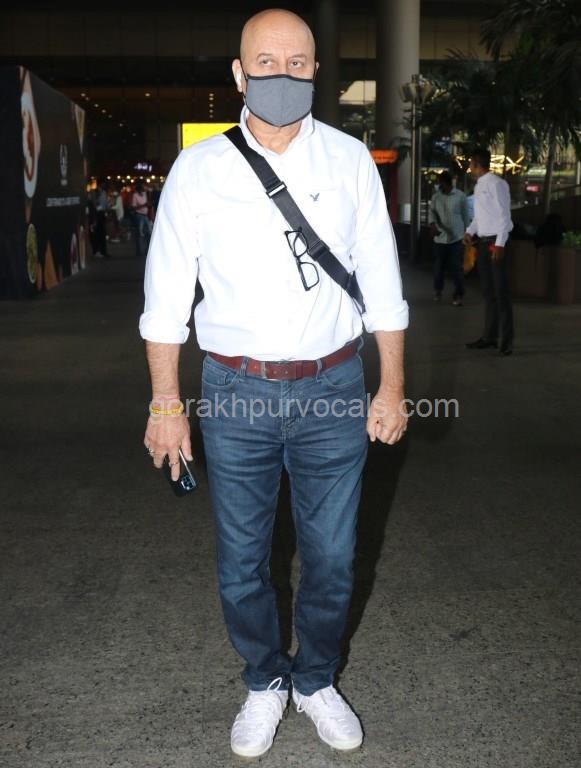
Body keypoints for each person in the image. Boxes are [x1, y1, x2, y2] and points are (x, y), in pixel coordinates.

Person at [139, 9, 409, 760]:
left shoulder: (349, 160)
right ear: (238, 72)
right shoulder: (199, 169)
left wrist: (390, 387)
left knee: (332, 559)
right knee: (241, 561)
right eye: (265, 62)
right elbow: (165, 301)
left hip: (333, 387)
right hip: (235, 392)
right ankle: (264, 679)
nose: (281, 75)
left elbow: (383, 286)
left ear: (316, 71)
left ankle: (315, 679)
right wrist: (166, 404)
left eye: (296, 63)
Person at [464, 148, 514, 355]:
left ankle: (507, 341)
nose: (469, 167)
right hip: (483, 243)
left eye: (470, 163)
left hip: (495, 242)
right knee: (488, 293)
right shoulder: (479, 185)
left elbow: (504, 215)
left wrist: (500, 243)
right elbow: (480, 216)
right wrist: (470, 231)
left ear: (477, 164)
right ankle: (489, 337)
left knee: (501, 293)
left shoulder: (496, 184)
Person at [429, 170, 471, 306]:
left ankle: (458, 294)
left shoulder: (461, 197)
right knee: (438, 268)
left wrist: (468, 233)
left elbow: (466, 216)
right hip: (440, 238)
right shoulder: (436, 197)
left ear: (447, 183)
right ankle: (437, 290)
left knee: (456, 268)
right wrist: (432, 224)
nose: (440, 185)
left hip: (457, 238)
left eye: (441, 183)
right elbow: (432, 213)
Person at [131, 181, 151, 258]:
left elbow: (148, 204)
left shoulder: (145, 194)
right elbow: (133, 207)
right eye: (144, 186)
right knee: (140, 234)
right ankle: (139, 252)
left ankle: (147, 250)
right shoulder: (135, 195)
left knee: (149, 233)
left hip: (146, 215)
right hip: (139, 215)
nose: (145, 188)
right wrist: (144, 205)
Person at [92, 180, 108, 259]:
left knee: (101, 233)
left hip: (101, 214)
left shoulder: (102, 193)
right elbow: (96, 205)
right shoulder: (97, 194)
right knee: (99, 233)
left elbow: (104, 204)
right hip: (98, 214)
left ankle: (102, 251)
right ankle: (99, 251)